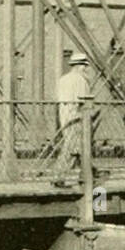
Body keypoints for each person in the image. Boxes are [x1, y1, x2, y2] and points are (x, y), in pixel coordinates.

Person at [52, 53, 91, 184]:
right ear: (81, 66)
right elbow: (85, 101)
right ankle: (59, 176)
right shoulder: (81, 80)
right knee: (73, 147)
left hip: (64, 114)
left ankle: (87, 173)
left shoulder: (62, 79)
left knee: (76, 146)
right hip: (77, 115)